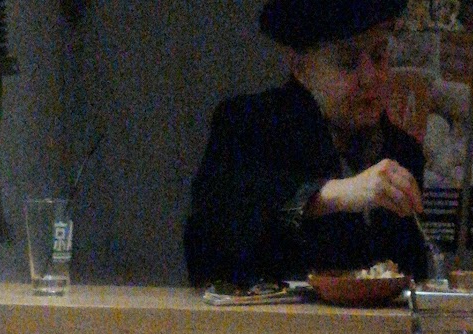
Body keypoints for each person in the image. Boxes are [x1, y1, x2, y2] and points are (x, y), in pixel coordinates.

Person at [184, 0, 430, 290]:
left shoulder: (402, 151)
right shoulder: (250, 125)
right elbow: (214, 236)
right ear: (300, 67)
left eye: (378, 56)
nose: (370, 77)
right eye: (347, 62)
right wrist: (331, 195)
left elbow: (412, 271)